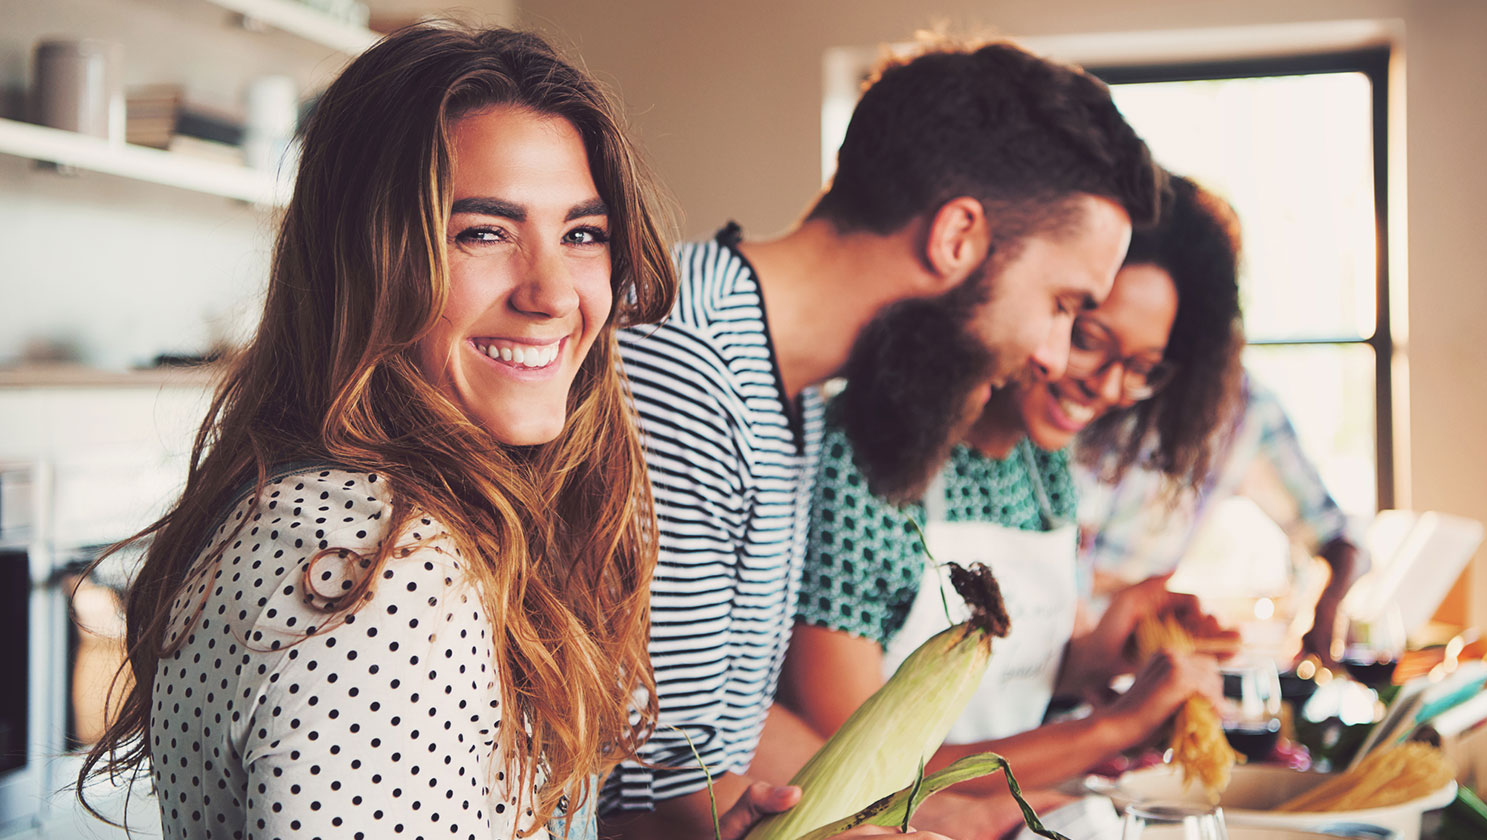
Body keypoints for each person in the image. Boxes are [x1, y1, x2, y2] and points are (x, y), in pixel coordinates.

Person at [74, 25, 937, 840]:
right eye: (484, 232)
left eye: (583, 234)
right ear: (366, 259)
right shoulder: (378, 577)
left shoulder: (357, 515)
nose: (554, 292)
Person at [601, 38, 1162, 840]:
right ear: (957, 236)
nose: (1049, 354)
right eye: (1062, 303)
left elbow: (724, 725)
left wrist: (952, 814)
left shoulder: (779, 384)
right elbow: (640, 786)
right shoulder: (685, 366)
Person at [785, 176, 1244, 832]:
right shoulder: (869, 458)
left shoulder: (1043, 463)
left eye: (1141, 367)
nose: (1109, 387)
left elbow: (998, 686)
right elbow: (851, 767)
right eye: (1089, 337)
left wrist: (1102, 653)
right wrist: (1113, 726)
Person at [1074, 369, 1369, 663]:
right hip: (1053, 645)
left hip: (1111, 658)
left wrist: (1326, 608)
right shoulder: (1094, 375)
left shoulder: (1245, 409)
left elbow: (1332, 531)